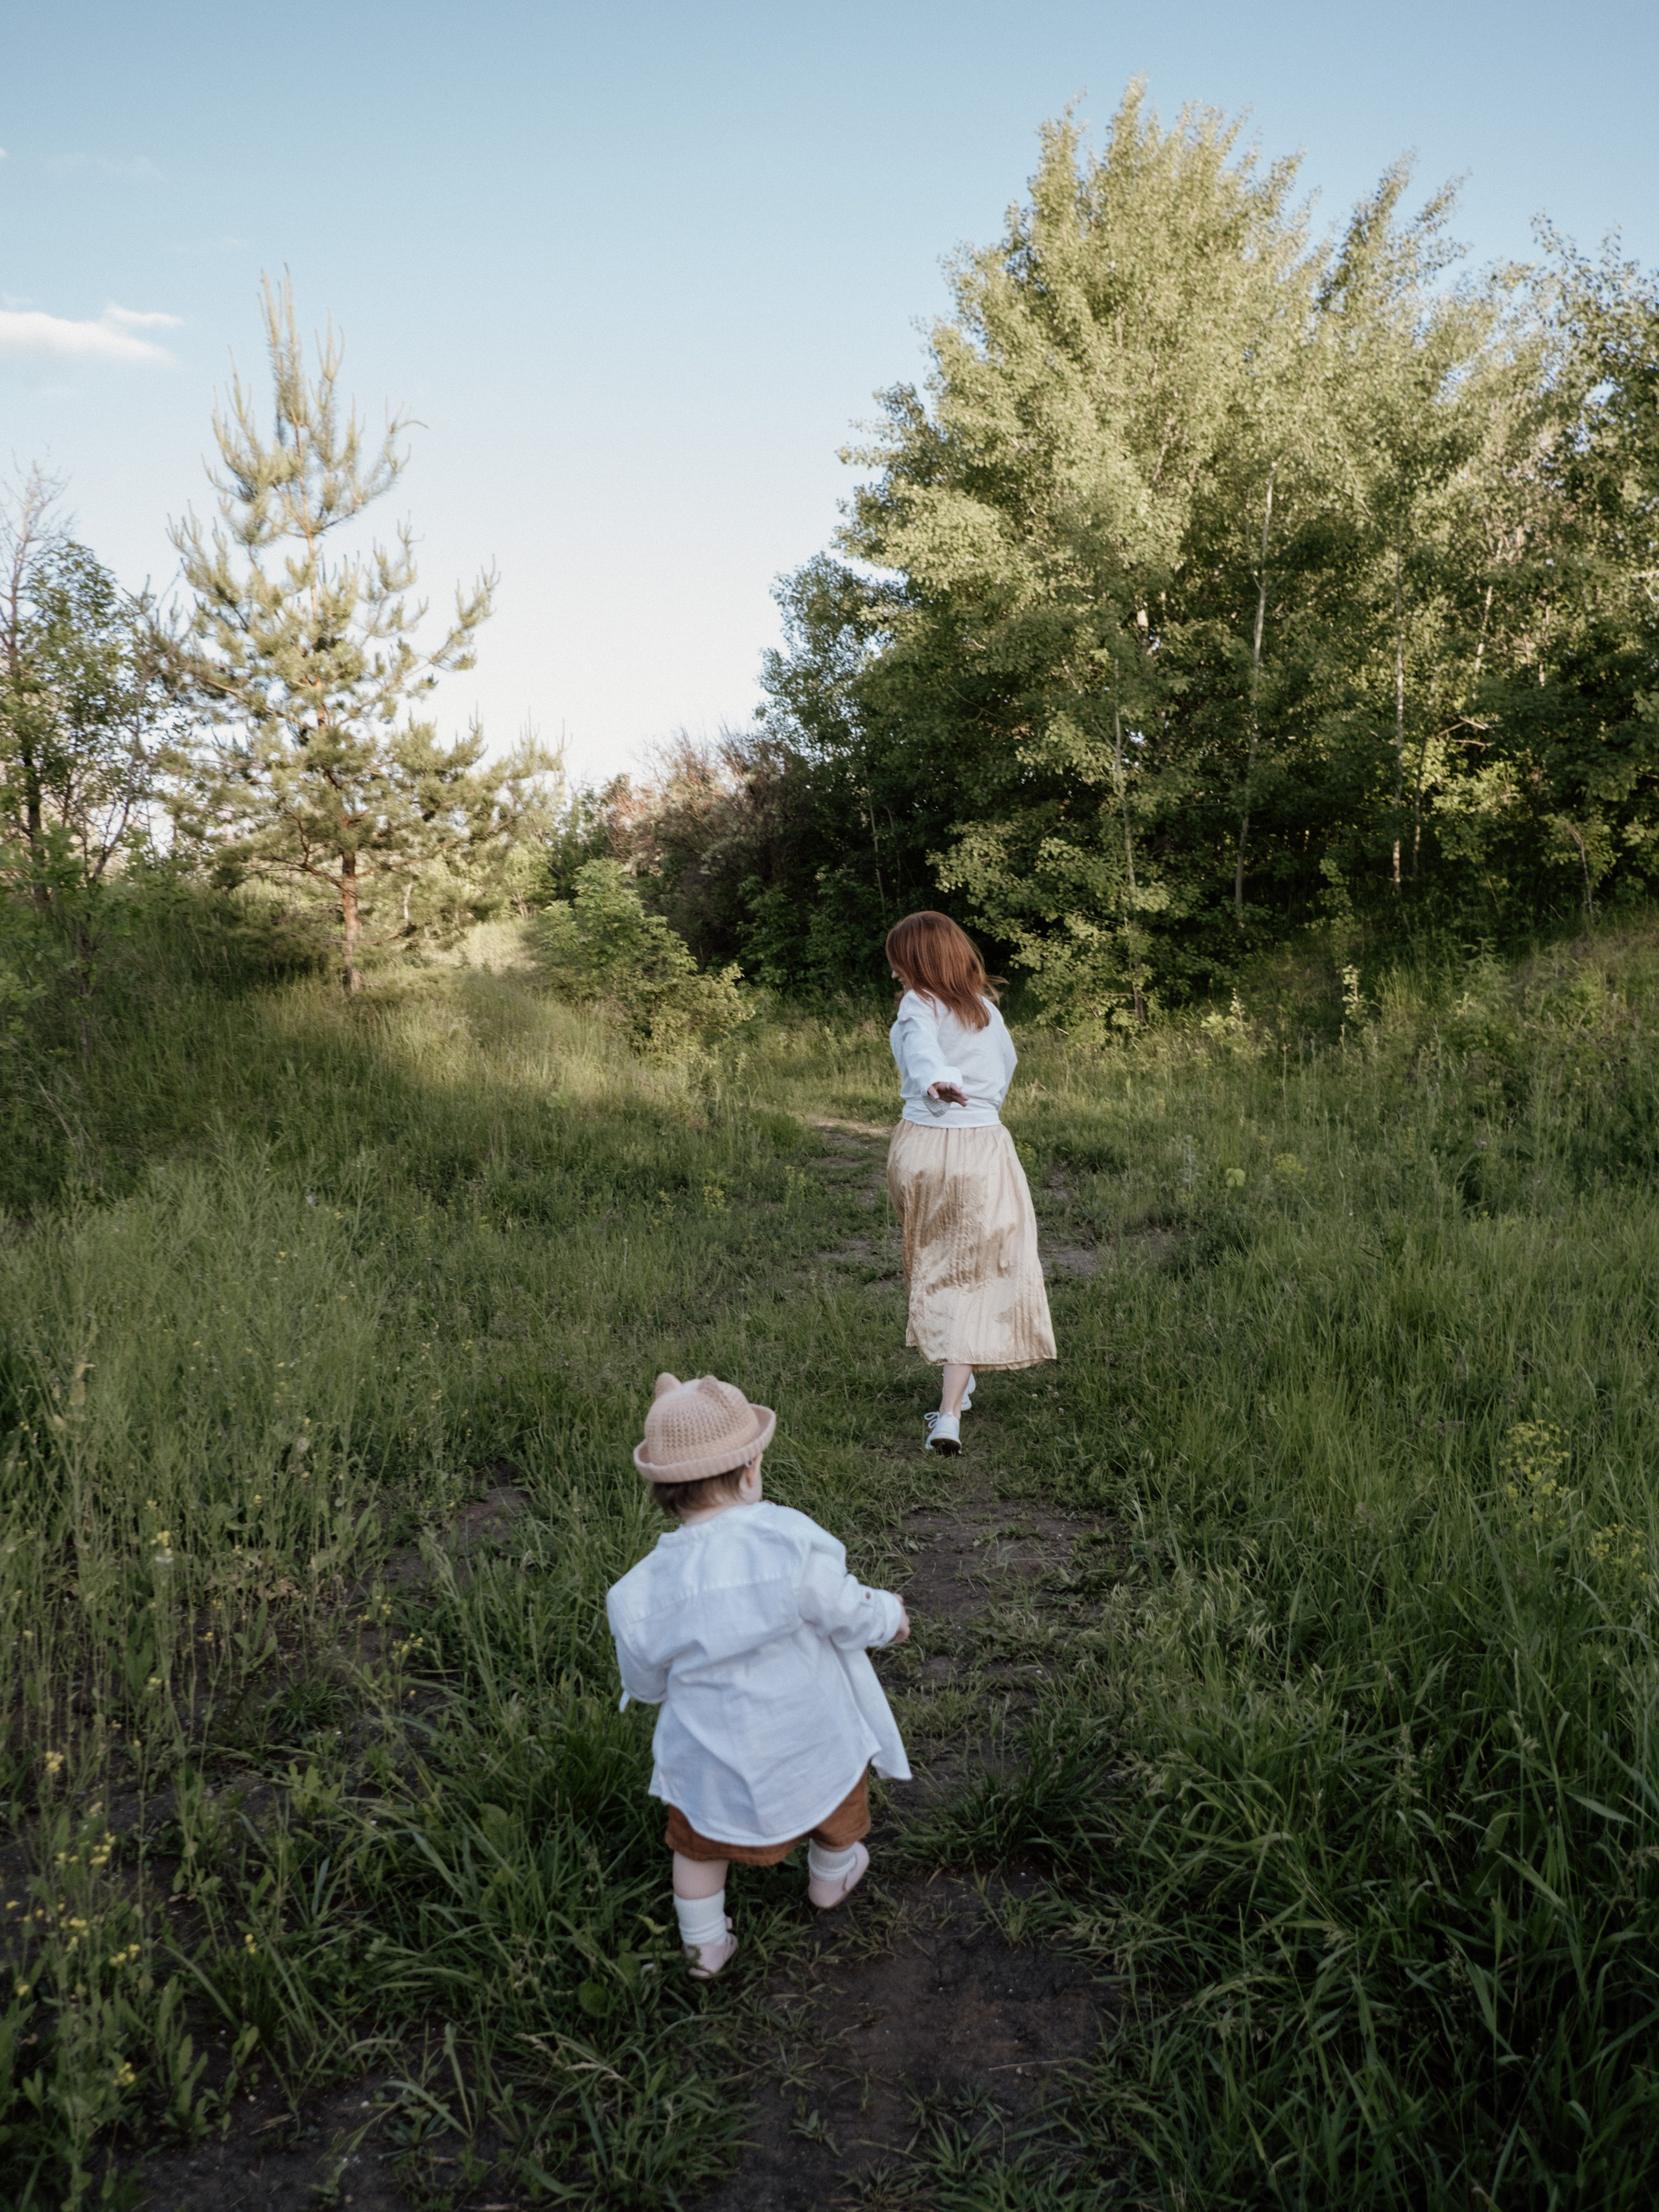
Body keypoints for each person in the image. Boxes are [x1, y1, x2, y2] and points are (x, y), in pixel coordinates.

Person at [607, 1371, 912, 1980]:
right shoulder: (788, 1544)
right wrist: (891, 1615)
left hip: (710, 1758)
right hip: (809, 1740)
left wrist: (660, 1690)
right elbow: (845, 1609)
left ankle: (703, 1947)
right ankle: (830, 1880)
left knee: (695, 1848)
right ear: (751, 1472)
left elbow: (643, 1680)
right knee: (840, 1812)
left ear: (663, 1492)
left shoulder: (639, 1592)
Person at [885, 911, 1056, 1452]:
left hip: (924, 1146)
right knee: (978, 1270)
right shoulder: (988, 1012)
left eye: (898, 962)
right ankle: (954, 1404)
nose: (894, 973)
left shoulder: (919, 1003)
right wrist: (963, 1090)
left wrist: (939, 1081)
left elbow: (922, 1051)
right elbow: (1003, 1069)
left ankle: (952, 1403)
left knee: (936, 1264)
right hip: (982, 1147)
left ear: (916, 962)